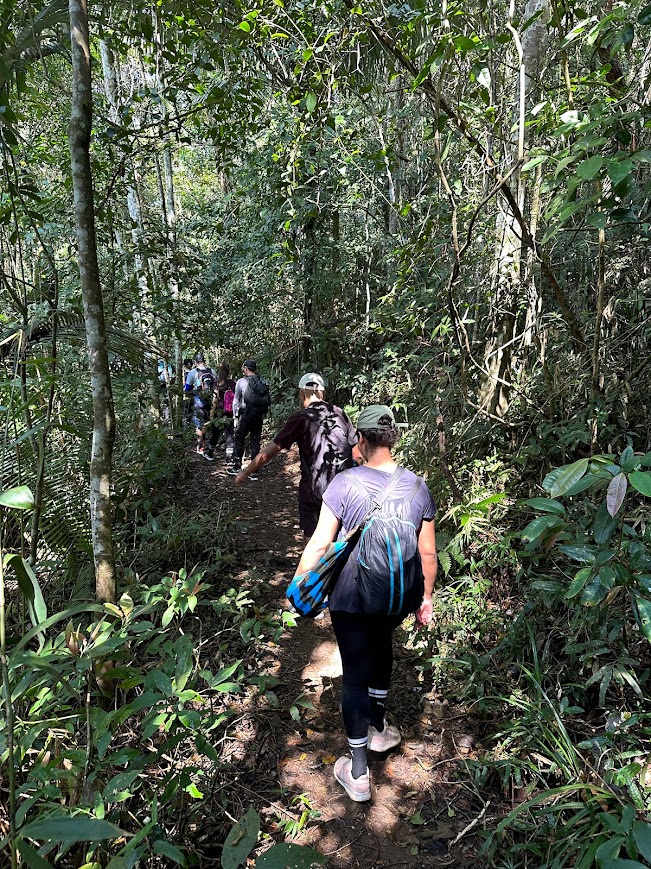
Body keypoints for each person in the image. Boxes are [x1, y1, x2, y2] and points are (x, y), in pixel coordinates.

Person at [291, 405, 437, 802]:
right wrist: (425, 598)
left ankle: (357, 773)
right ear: (393, 439)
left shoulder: (344, 484)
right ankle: (378, 728)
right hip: (396, 596)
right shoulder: (417, 487)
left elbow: (321, 542)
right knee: (382, 646)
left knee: (354, 672)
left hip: (350, 597)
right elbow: (427, 554)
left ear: (361, 440)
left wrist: (298, 585)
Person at [234, 373, 357, 538]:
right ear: (323, 393)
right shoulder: (340, 413)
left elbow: (268, 453)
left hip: (313, 492)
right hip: (344, 489)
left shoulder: (301, 418)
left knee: (314, 540)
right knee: (339, 538)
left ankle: (314, 564)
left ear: (301, 394)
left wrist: (245, 472)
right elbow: (356, 451)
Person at [227, 359, 270, 478]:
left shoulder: (241, 382)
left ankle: (236, 466)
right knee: (255, 441)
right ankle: (254, 471)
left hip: (245, 415)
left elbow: (236, 401)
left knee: (239, 438)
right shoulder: (263, 382)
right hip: (258, 415)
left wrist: (235, 417)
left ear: (246, 369)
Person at [184, 352, 217, 458]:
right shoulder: (212, 371)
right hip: (211, 401)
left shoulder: (192, 373)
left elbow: (187, 389)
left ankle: (200, 445)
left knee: (198, 423)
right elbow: (216, 387)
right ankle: (204, 444)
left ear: (195, 362)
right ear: (204, 360)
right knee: (206, 422)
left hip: (199, 401)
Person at [205, 362, 236, 461]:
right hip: (229, 411)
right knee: (229, 433)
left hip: (219, 411)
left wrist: (212, 412)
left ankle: (210, 453)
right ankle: (229, 458)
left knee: (215, 433)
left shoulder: (216, 384)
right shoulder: (232, 383)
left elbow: (215, 399)